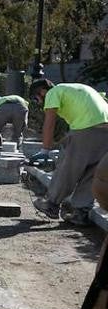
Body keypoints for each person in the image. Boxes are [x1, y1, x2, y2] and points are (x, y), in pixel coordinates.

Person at [30, 79, 108, 222]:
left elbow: (49, 123)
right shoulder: (75, 89)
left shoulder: (54, 92)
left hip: (87, 126)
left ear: (42, 91)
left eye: (37, 99)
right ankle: (81, 212)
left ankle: (51, 204)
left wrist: (45, 150)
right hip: (105, 129)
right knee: (92, 172)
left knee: (67, 167)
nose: (39, 103)